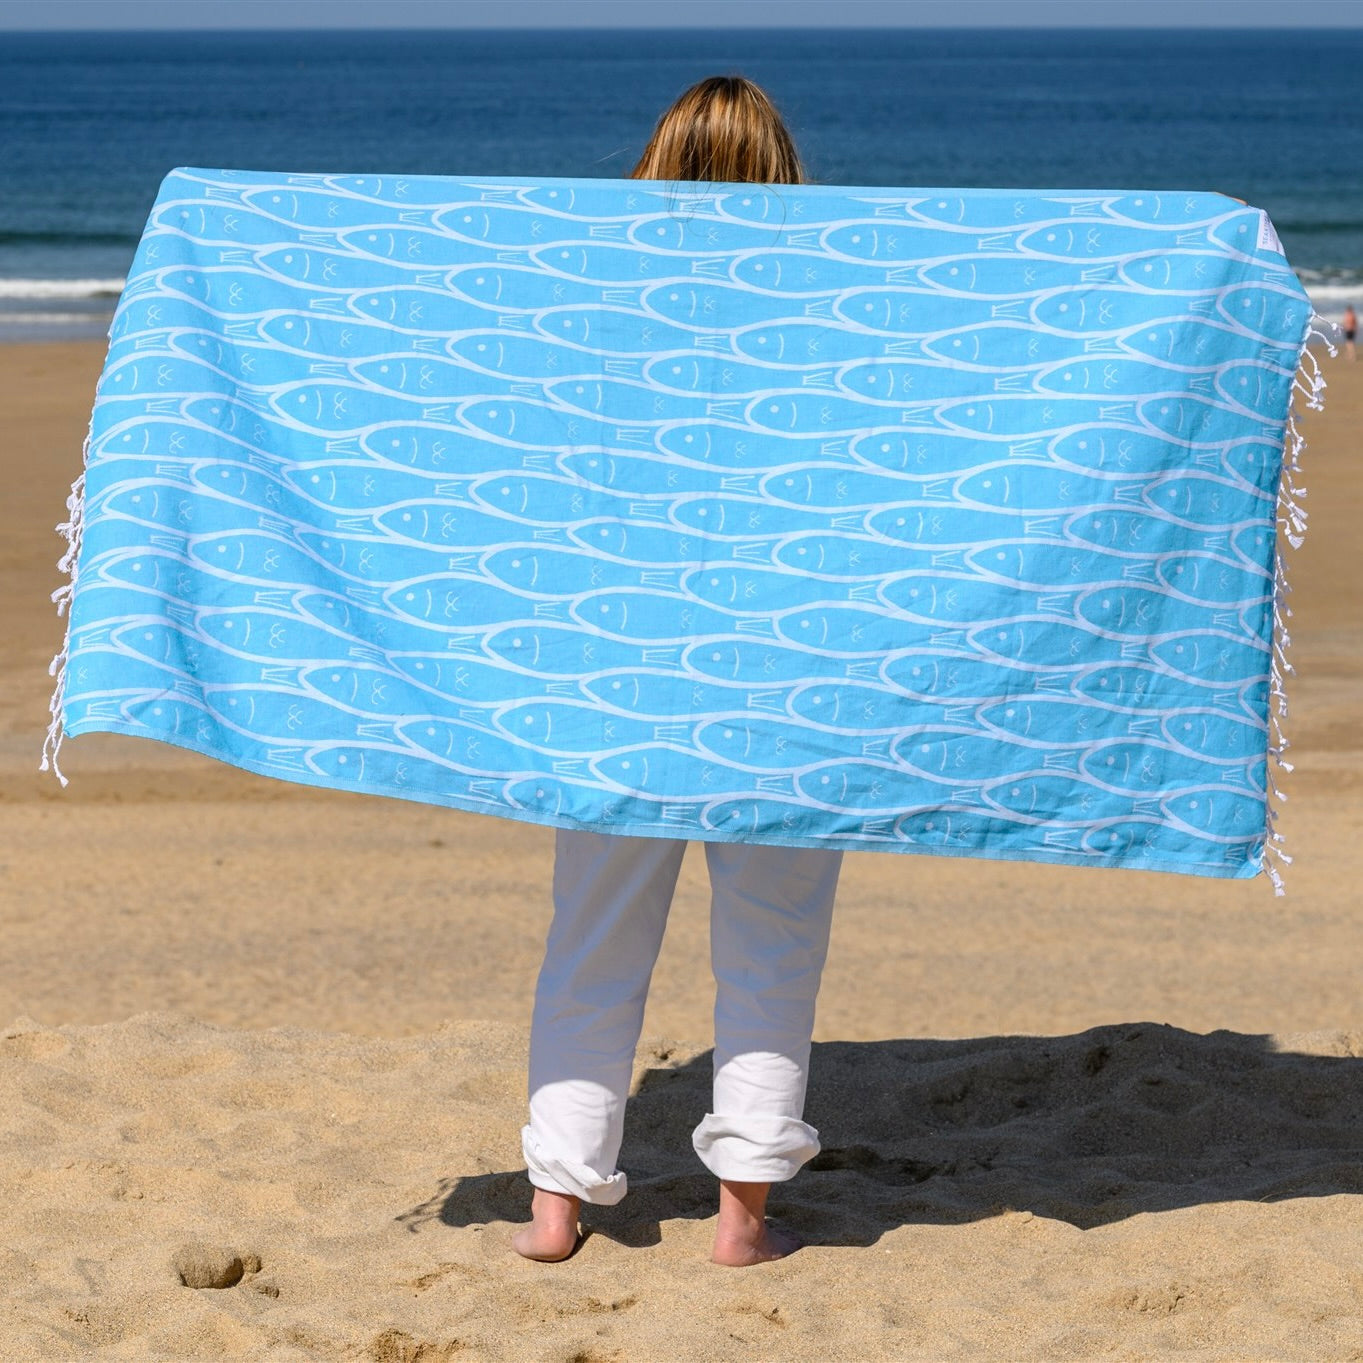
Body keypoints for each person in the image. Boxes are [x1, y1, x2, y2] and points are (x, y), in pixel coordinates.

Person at [512, 76, 843, 1269]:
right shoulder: (830, 304)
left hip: (622, 667)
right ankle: (741, 1222)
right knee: (772, 945)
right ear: (783, 171)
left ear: (652, 165)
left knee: (593, 936)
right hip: (786, 665)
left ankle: (556, 1208)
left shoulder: (600, 307)